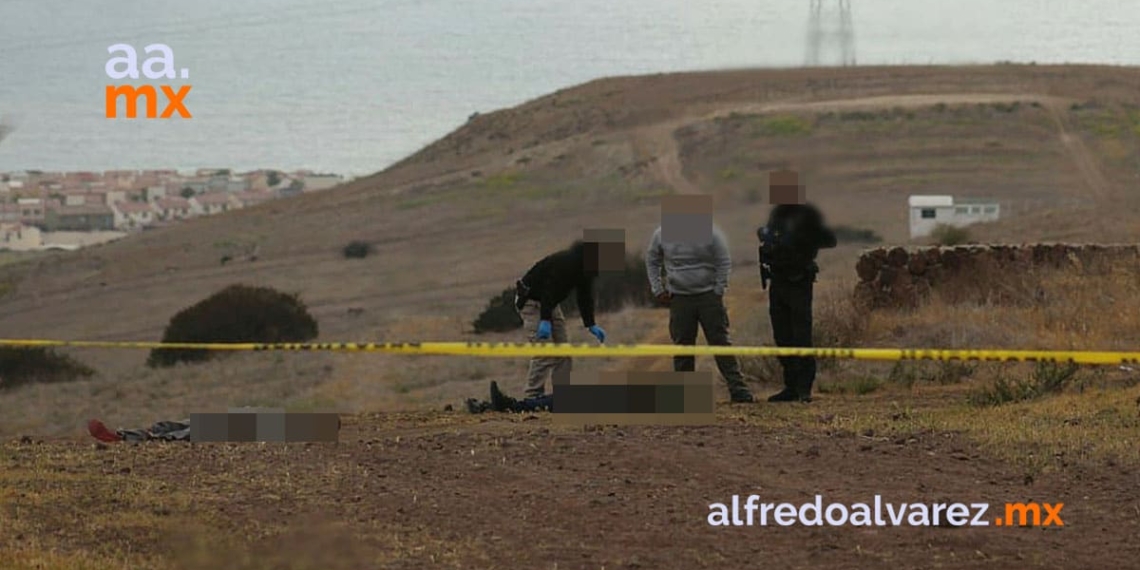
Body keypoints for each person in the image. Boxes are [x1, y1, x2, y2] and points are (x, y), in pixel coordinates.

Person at [645, 196, 755, 403]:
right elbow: (651, 260)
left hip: (708, 296)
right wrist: (657, 288)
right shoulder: (661, 234)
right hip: (679, 298)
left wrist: (719, 289)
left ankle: (739, 390)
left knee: (720, 342)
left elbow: (724, 261)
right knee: (683, 346)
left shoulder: (712, 233)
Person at [757, 169, 837, 403]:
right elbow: (771, 240)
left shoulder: (808, 215)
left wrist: (801, 238)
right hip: (778, 280)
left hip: (799, 282)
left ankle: (804, 389)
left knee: (801, 336)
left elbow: (829, 240)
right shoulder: (777, 214)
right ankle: (790, 386)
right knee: (782, 336)